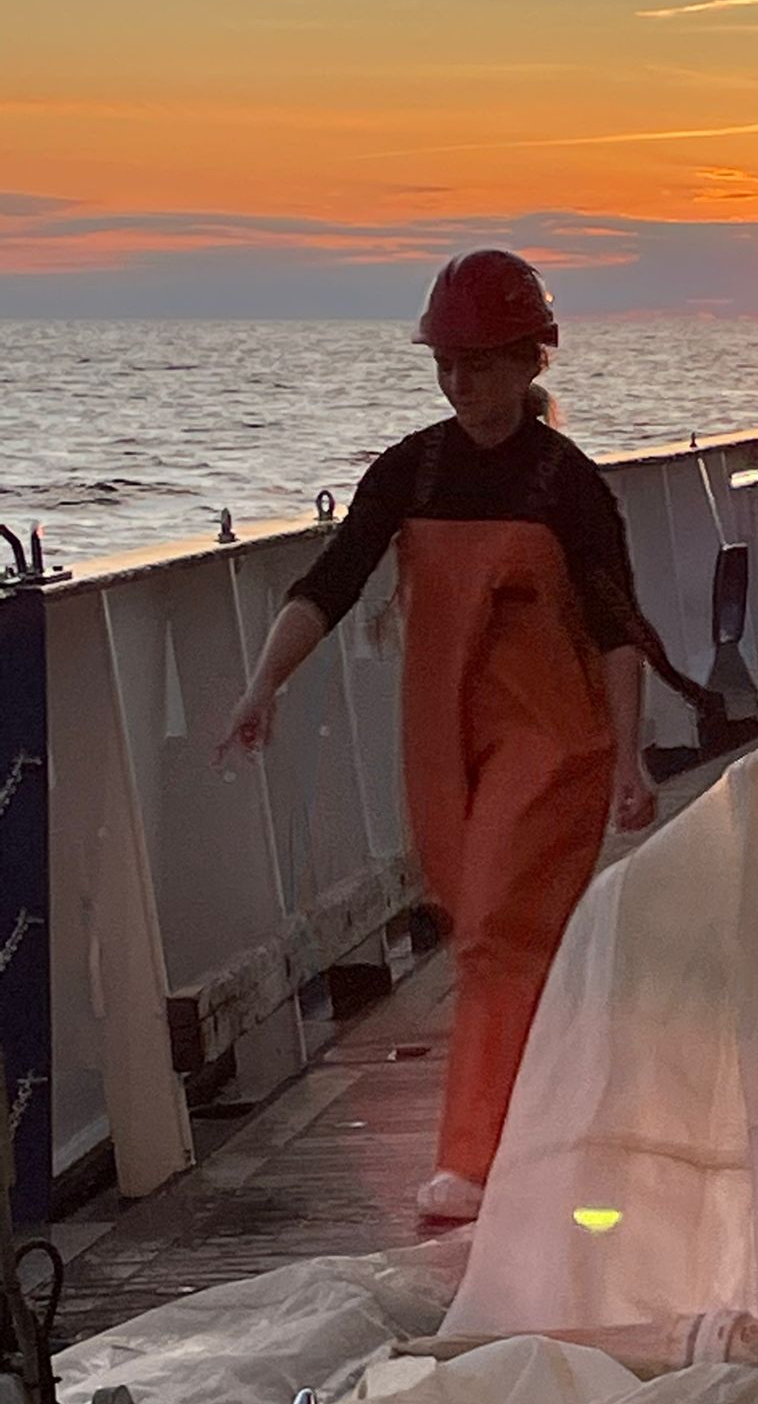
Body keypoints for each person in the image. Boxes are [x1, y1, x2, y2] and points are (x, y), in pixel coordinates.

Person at [218, 249, 657, 1225]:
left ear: (532, 361)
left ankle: (472, 1164)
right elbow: (331, 581)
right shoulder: (410, 470)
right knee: (496, 937)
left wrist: (627, 756)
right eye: (448, 365)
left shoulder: (566, 483)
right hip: (446, 748)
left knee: (496, 936)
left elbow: (620, 627)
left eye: (485, 364)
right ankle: (567, 1125)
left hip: (557, 745)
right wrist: (262, 682)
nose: (464, 384)